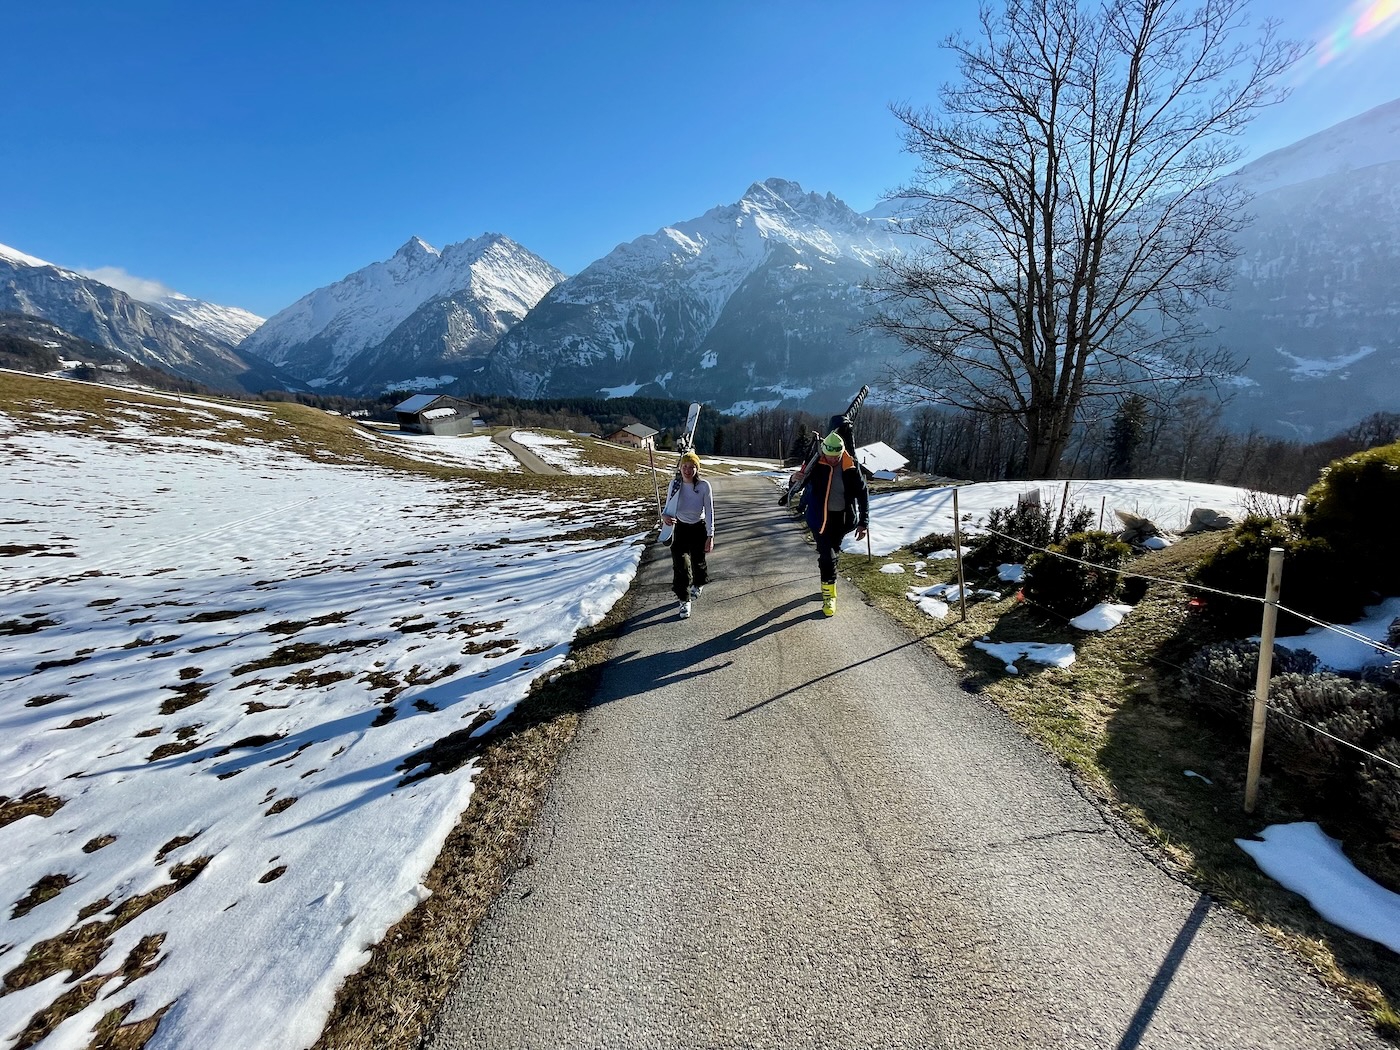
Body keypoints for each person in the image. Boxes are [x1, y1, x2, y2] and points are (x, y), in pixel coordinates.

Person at [792, 430, 868, 616]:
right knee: (828, 556)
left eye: (837, 456)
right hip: (819, 519)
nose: (833, 460)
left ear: (842, 452)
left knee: (832, 554)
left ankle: (828, 582)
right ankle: (829, 598)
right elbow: (798, 485)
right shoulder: (815, 463)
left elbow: (862, 492)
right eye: (830, 456)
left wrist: (864, 521)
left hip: (841, 520)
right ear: (824, 451)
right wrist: (794, 479)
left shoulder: (850, 465)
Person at [662, 450, 715, 619]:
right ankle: (684, 601)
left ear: (697, 469)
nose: (687, 470)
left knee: (698, 562)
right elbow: (668, 507)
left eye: (691, 467)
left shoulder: (703, 486)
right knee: (681, 566)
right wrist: (664, 516)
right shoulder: (675, 484)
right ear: (680, 468)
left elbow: (709, 511)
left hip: (698, 529)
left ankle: (699, 583)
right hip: (680, 529)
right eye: (684, 466)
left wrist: (710, 535)